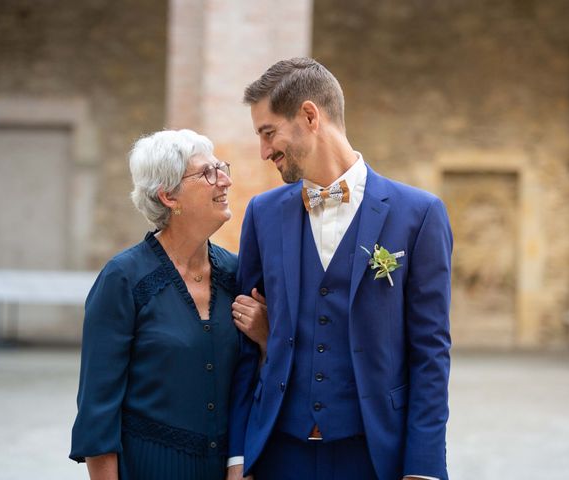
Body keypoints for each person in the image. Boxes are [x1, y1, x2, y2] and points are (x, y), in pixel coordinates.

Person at [227, 58, 453, 480]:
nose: (264, 152)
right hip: (277, 454)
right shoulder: (262, 214)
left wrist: (423, 469)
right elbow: (243, 350)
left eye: (268, 132)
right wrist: (239, 457)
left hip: (373, 456)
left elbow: (430, 353)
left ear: (310, 116)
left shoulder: (418, 215)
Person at [69, 129, 267, 480]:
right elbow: (98, 413)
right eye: (208, 172)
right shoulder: (123, 279)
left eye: (222, 167)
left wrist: (265, 337)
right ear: (169, 196)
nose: (225, 180)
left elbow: (254, 383)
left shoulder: (237, 274)